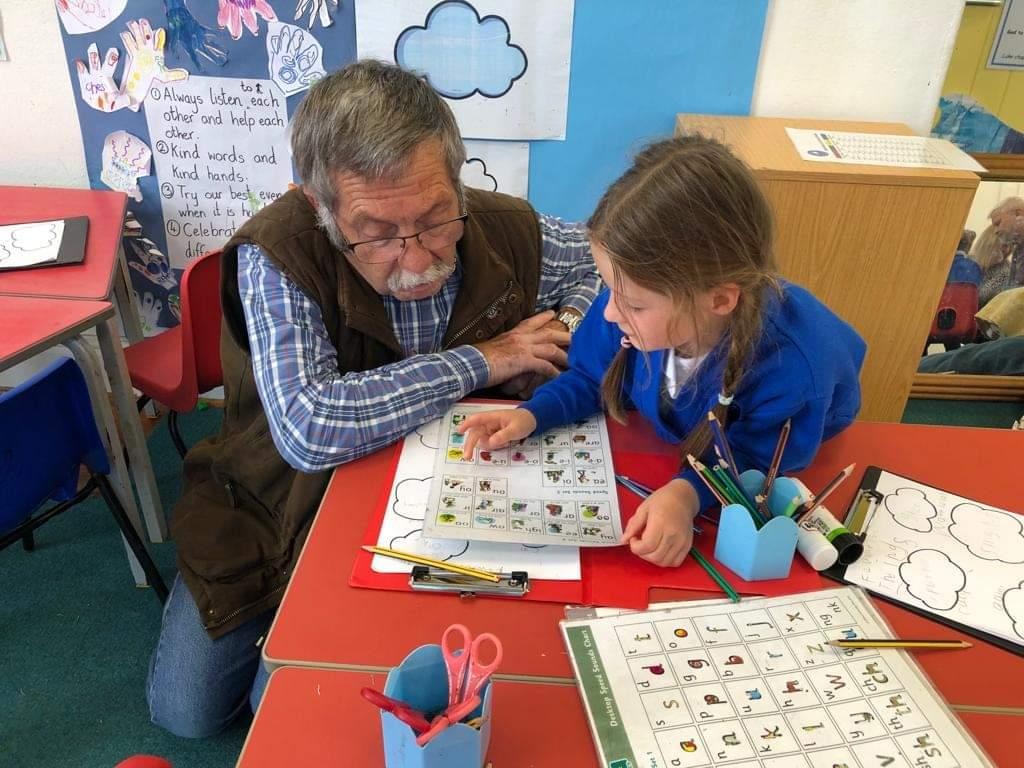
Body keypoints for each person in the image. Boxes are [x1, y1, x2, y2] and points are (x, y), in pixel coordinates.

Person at [146, 60, 600, 738]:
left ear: (456, 175)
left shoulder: (509, 227)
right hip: (280, 500)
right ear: (317, 205)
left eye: (436, 218)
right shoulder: (277, 254)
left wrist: (564, 328)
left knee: (320, 702)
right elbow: (310, 429)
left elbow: (607, 268)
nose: (415, 259)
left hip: (450, 484)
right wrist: (489, 359)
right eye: (378, 233)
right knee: (188, 716)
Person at [459, 135, 866, 570]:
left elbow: (755, 464)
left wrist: (687, 495)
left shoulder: (794, 372)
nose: (611, 312)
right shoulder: (632, 304)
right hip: (663, 445)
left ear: (719, 300)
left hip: (802, 463)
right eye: (609, 288)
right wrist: (532, 414)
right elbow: (588, 377)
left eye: (633, 303)